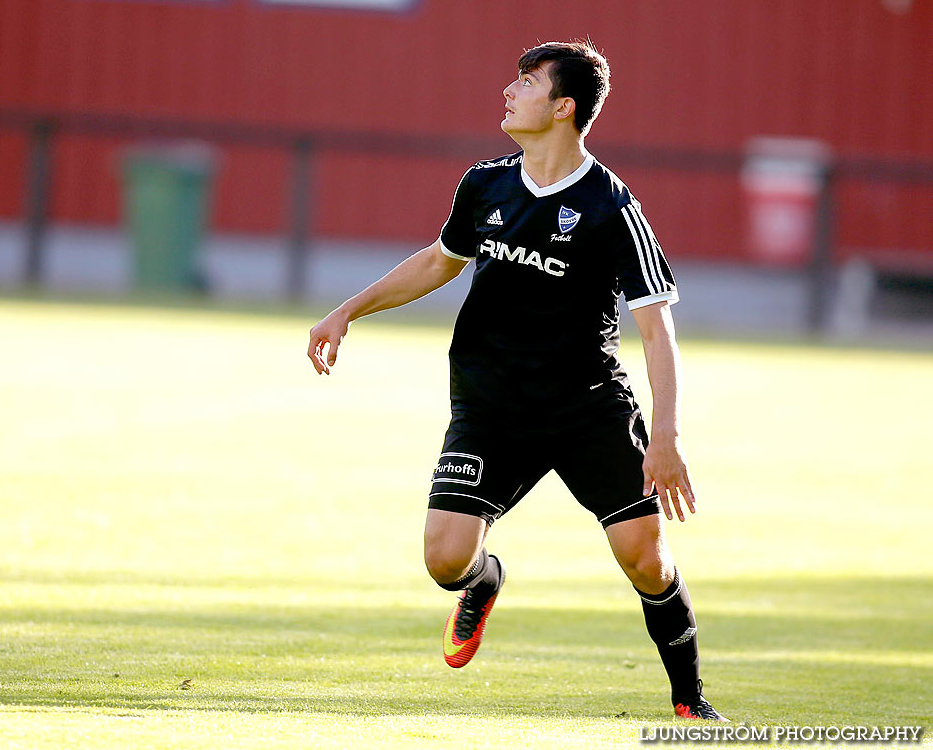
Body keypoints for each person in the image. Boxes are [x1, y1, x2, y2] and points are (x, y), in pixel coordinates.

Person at [306, 41, 727, 721]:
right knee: (445, 561)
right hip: (491, 407)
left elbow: (657, 328)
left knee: (646, 561)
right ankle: (486, 580)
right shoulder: (485, 183)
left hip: (586, 409)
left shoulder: (612, 207)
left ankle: (690, 701)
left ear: (562, 107)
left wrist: (667, 436)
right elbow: (439, 262)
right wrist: (347, 310)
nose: (508, 91)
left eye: (526, 82)